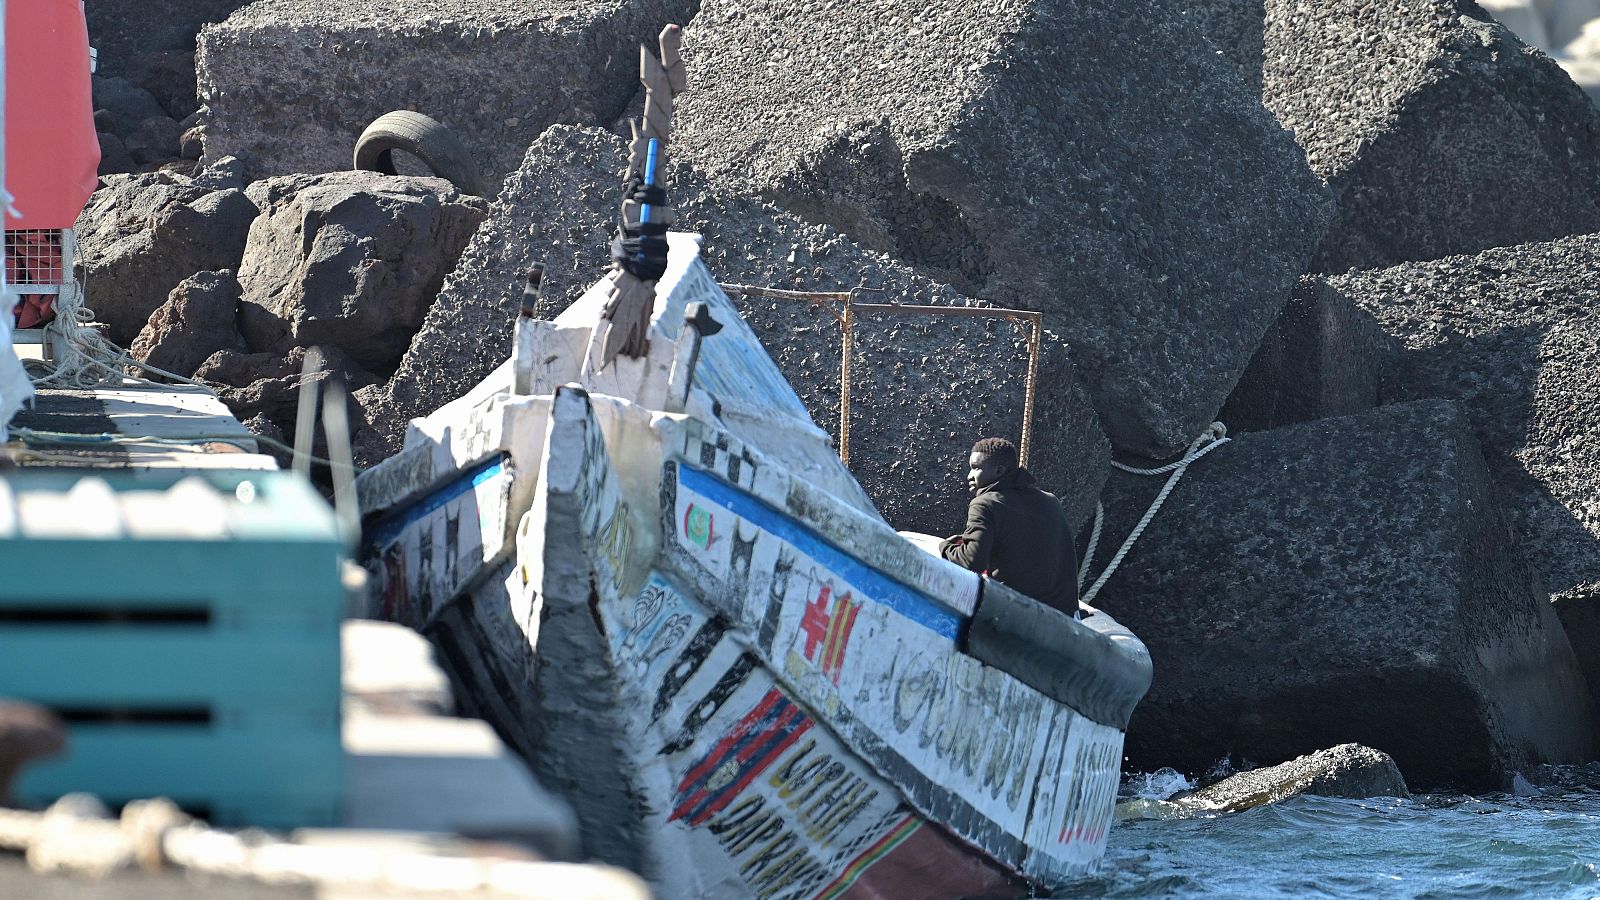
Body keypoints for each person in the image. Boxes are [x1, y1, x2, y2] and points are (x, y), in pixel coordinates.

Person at [939, 437, 1080, 616]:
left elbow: (971, 562)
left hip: (1018, 615)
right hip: (1066, 617)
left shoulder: (984, 504)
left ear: (999, 471)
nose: (969, 476)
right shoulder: (1051, 501)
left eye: (976, 468)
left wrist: (945, 547)